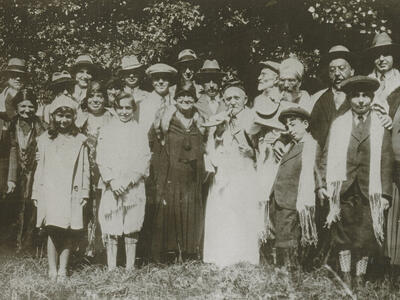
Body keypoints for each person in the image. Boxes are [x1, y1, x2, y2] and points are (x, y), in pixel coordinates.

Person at [319, 76, 394, 291]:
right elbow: (325, 155)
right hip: (342, 188)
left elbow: (386, 161)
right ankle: (345, 276)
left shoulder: (380, 126)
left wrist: (386, 195)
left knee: (365, 236)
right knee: (343, 235)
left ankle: (360, 277)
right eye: (356, 96)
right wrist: (322, 183)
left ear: (371, 98)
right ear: (349, 98)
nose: (360, 101)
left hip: (369, 189)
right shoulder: (339, 124)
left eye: (365, 96)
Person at [203, 85, 263, 268]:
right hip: (224, 172)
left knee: (244, 212)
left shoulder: (254, 117)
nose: (232, 102)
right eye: (228, 99)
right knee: (223, 212)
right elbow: (209, 147)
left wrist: (252, 153)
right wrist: (217, 158)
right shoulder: (218, 119)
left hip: (245, 171)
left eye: (237, 98)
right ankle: (222, 255)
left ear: (245, 99)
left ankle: (245, 256)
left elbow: (263, 150)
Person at [32, 95, 90, 281]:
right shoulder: (44, 139)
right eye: (59, 116)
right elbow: (39, 169)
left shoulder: (80, 140)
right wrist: (36, 191)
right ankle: (52, 268)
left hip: (71, 191)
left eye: (68, 116)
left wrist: (84, 191)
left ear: (73, 118)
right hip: (50, 190)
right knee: (53, 229)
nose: (63, 120)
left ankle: (63, 269)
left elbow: (84, 167)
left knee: (68, 230)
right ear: (53, 117)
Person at [150, 87, 206, 263]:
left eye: (190, 96)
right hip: (172, 174)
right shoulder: (166, 121)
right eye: (182, 96)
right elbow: (156, 144)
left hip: (192, 176)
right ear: (175, 100)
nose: (186, 99)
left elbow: (206, 146)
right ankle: (171, 254)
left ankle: (190, 254)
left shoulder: (200, 121)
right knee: (171, 211)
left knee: (191, 212)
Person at [96, 92, 151, 270]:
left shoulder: (140, 130)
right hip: (113, 185)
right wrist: (112, 181)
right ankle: (111, 266)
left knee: (132, 223)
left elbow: (144, 157)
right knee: (111, 220)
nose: (124, 112)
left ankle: (129, 266)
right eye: (121, 108)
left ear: (134, 109)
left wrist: (129, 180)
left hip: (132, 184)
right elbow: (101, 157)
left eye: (128, 108)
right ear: (115, 108)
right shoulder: (106, 130)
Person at [270, 106, 321, 273]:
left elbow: (316, 171)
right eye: (287, 126)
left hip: (293, 199)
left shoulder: (311, 146)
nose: (289, 130)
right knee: (282, 237)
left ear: (305, 124)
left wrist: (320, 188)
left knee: (290, 239)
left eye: (293, 125)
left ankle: (291, 272)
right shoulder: (290, 145)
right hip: (281, 198)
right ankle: (283, 269)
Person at [75, 81, 114, 258]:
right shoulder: (80, 117)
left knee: (103, 204)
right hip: (84, 168)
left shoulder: (112, 116)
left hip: (105, 167)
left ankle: (102, 247)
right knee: (85, 204)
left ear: (105, 98)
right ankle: (83, 246)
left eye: (100, 96)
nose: (96, 100)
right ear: (86, 98)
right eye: (92, 96)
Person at [7, 89, 45, 253]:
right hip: (14, 171)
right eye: (23, 106)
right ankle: (13, 243)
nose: (26, 110)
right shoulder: (10, 125)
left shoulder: (40, 125)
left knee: (31, 206)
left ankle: (29, 244)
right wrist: (11, 178)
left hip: (34, 172)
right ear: (17, 107)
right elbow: (12, 150)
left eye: (30, 106)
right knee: (14, 207)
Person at [0, 58, 29, 227]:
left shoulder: (28, 101)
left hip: (24, 155)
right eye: (14, 75)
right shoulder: (1, 100)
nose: (18, 79)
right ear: (7, 77)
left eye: (21, 76)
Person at [310, 45, 354, 149]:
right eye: (332, 70)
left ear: (352, 71)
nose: (337, 73)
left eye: (342, 68)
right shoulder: (317, 98)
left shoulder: (361, 97)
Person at [139, 63, 177, 134]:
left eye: (165, 78)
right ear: (152, 82)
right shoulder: (144, 104)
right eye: (156, 78)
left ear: (170, 81)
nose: (161, 82)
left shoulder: (176, 103)